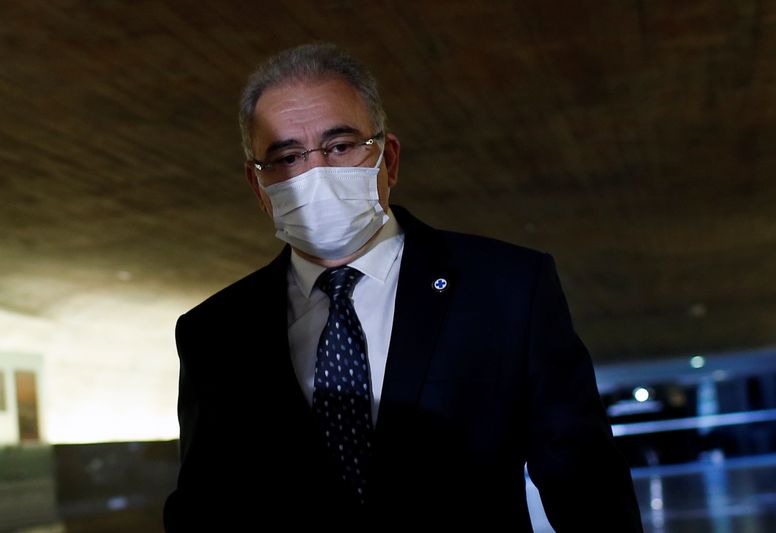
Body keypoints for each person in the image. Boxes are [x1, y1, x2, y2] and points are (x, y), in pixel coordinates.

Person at [163, 42, 643, 532]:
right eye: (286, 156)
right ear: (257, 186)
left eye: (341, 146)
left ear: (388, 159)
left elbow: (586, 484)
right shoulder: (214, 333)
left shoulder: (506, 289)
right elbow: (204, 506)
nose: (315, 173)